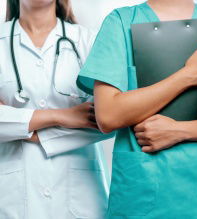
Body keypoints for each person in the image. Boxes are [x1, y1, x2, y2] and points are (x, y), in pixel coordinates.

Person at [76, 0, 197, 217]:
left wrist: (179, 131)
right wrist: (188, 76)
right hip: (142, 194)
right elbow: (108, 116)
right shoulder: (120, 22)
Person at [0, 0, 113, 218]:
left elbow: (111, 117)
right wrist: (63, 116)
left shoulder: (89, 41)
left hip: (81, 198)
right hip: (11, 198)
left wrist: (15, 125)